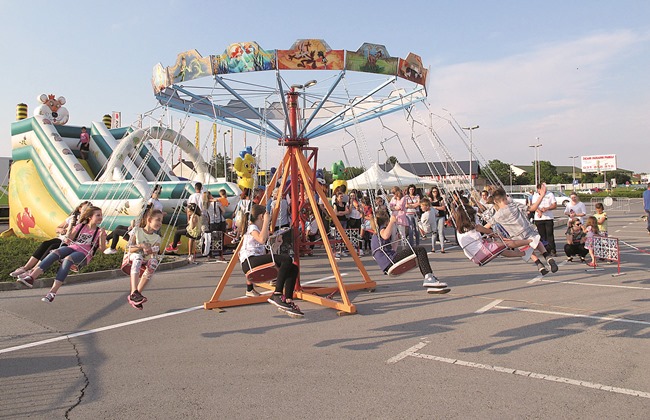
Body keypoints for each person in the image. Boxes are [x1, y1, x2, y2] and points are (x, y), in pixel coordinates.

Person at [17, 206, 107, 302]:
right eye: (98, 215)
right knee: (55, 252)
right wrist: (70, 229)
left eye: (101, 215)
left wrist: (101, 236)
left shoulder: (99, 231)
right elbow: (68, 240)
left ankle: (52, 292)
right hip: (72, 247)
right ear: (90, 217)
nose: (100, 217)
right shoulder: (80, 227)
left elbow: (102, 249)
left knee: (68, 259)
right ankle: (31, 277)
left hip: (84, 254)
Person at [240, 204, 303, 317]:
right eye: (266, 216)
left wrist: (276, 245)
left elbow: (268, 255)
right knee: (286, 259)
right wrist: (266, 221)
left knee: (293, 267)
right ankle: (277, 294)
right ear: (261, 217)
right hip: (249, 262)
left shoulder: (258, 230)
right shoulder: (252, 227)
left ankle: (287, 300)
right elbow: (262, 240)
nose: (268, 219)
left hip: (256, 260)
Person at [485, 186, 559, 275]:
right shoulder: (514, 205)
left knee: (527, 248)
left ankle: (539, 264)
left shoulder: (497, 216)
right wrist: (541, 196)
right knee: (537, 241)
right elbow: (532, 208)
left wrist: (475, 230)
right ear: (505, 197)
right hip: (527, 229)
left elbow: (487, 226)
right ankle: (548, 258)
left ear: (495, 201)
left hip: (516, 237)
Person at [9, 201, 91, 278]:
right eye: (84, 209)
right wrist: (61, 230)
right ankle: (25, 267)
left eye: (88, 210)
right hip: (62, 238)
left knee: (53, 247)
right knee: (46, 243)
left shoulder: (87, 222)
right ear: (80, 209)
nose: (85, 211)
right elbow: (58, 228)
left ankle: (34, 270)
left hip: (71, 242)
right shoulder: (72, 218)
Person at [371, 213, 448, 293]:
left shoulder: (375, 235)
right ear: (385, 222)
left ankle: (430, 281)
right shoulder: (381, 230)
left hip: (389, 261)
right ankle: (429, 278)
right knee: (420, 250)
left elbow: (392, 248)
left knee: (419, 255)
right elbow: (385, 235)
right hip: (391, 261)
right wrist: (392, 222)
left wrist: (396, 237)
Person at [453, 204, 534, 265]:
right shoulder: (475, 226)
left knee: (500, 250)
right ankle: (530, 241)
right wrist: (502, 237)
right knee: (506, 243)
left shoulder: (459, 229)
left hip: (474, 257)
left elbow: (472, 241)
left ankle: (523, 254)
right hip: (482, 252)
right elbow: (491, 233)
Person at [126, 209, 163, 309]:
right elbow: (128, 248)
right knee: (138, 257)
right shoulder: (137, 231)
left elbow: (154, 253)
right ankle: (134, 291)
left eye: (161, 221)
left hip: (145, 258)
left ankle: (137, 294)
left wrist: (152, 251)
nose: (160, 223)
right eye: (158, 220)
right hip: (133, 256)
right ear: (149, 220)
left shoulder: (157, 238)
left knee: (154, 263)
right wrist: (141, 246)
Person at [532, 183, 557, 256]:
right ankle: (545, 250)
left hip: (548, 217)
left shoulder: (550, 194)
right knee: (542, 235)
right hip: (539, 218)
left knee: (550, 234)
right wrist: (538, 211)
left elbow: (554, 205)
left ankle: (552, 250)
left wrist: (547, 208)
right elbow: (533, 205)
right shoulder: (536, 195)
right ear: (539, 189)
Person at [427, 186, 447, 253]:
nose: (434, 193)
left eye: (435, 191)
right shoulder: (430, 199)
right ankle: (433, 247)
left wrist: (435, 207)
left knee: (440, 232)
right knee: (434, 232)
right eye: (433, 191)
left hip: (441, 216)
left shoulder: (440, 199)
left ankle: (442, 248)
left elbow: (443, 207)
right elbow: (429, 207)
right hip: (434, 217)